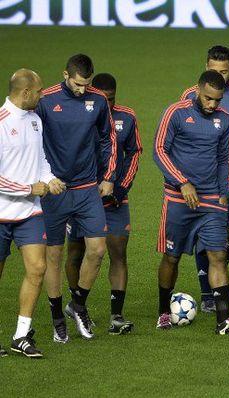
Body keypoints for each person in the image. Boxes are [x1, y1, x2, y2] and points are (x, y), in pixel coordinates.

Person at [154, 70, 229, 336]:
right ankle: (163, 312)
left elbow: (224, 157)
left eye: (217, 101)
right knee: (171, 257)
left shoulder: (225, 120)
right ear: (197, 89)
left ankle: (223, 320)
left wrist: (222, 193)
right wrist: (181, 182)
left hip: (211, 201)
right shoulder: (175, 113)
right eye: (208, 99)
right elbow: (159, 150)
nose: (212, 105)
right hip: (178, 198)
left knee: (218, 256)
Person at [36, 54, 118, 342]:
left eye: (87, 84)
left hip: (86, 188)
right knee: (54, 256)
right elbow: (32, 141)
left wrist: (107, 176)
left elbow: (109, 138)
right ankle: (57, 316)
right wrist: (43, 179)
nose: (83, 89)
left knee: (97, 250)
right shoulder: (45, 100)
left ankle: (77, 305)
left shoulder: (97, 101)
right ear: (65, 75)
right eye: (78, 83)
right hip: (55, 189)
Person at [181, 45, 229, 313]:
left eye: (224, 72)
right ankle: (208, 293)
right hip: (204, 178)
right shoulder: (190, 95)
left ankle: (219, 273)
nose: (220, 76)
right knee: (207, 233)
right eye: (214, 71)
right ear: (205, 67)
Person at [64, 73, 142, 335]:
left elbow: (133, 153)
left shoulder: (127, 117)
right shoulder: (78, 114)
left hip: (114, 199)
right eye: (103, 99)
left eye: (112, 99)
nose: (107, 105)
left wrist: (121, 189)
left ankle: (116, 316)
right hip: (79, 197)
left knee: (118, 252)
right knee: (76, 252)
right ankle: (79, 306)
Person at [0, 69, 66, 358]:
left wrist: (49, 179)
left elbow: (40, 160)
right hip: (2, 213)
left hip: (30, 212)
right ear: (25, 92)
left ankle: (21, 335)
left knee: (37, 269)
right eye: (39, 91)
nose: (42, 95)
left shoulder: (36, 121)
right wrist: (30, 188)